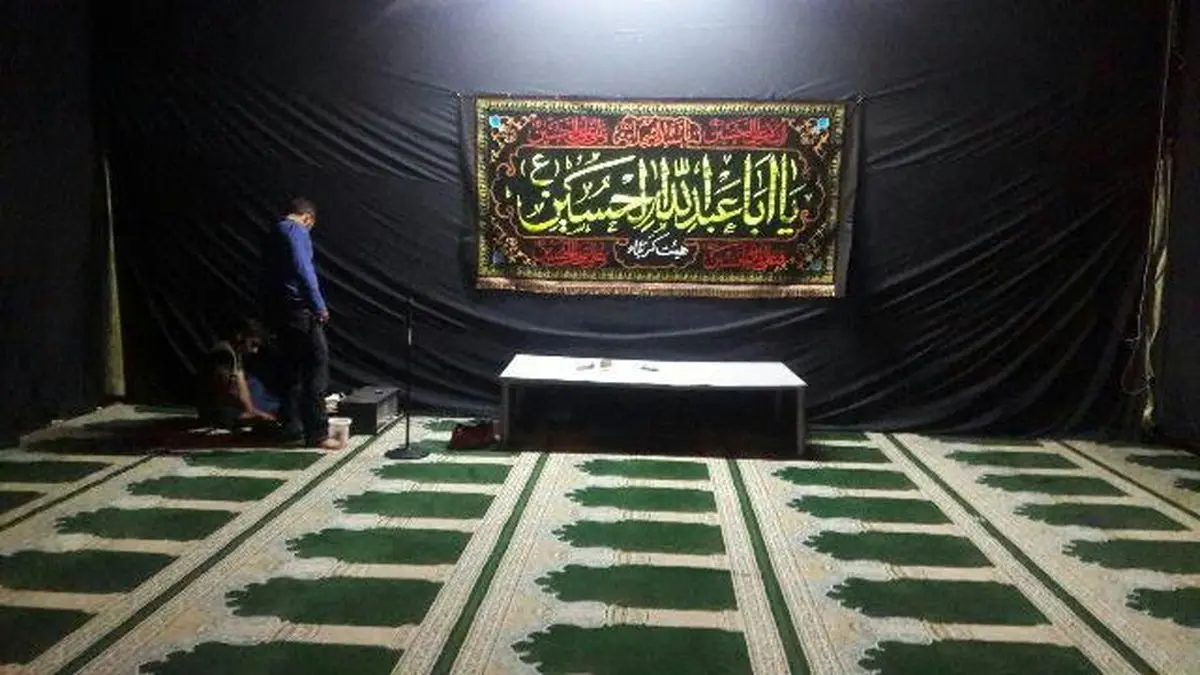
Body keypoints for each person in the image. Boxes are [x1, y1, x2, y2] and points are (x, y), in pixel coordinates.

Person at [262, 197, 344, 450]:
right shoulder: (295, 230)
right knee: (316, 368)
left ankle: (292, 427)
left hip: (279, 311)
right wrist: (318, 305)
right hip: (299, 311)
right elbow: (303, 268)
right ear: (307, 218)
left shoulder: (273, 231)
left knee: (290, 370)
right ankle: (318, 432)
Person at [198, 317, 278, 431]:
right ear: (240, 336)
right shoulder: (223, 353)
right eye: (253, 344)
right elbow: (223, 390)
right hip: (218, 411)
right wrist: (249, 413)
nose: (255, 351)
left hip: (231, 407)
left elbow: (242, 386)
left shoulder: (236, 354)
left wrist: (251, 410)